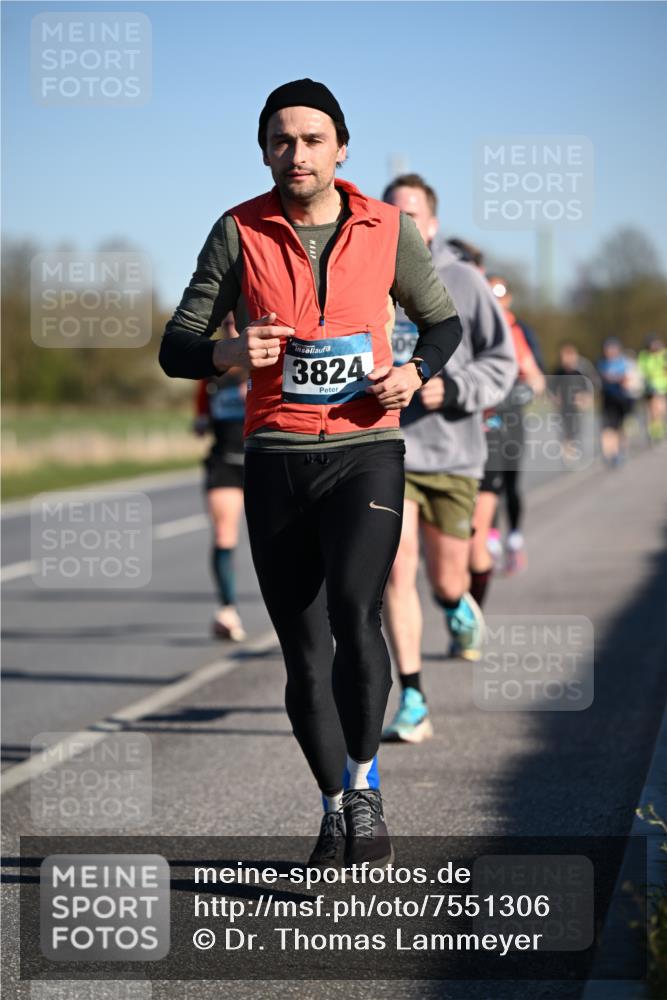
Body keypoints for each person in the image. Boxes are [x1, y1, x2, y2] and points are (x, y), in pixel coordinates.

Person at [159, 80, 462, 867]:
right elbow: (176, 346)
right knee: (302, 651)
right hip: (276, 460)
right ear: (264, 152)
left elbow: (442, 322)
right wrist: (229, 352)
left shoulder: (387, 228)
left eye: (312, 139)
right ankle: (331, 806)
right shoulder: (238, 230)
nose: (296, 153)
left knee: (356, 614)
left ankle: (364, 787)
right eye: (281, 141)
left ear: (341, 149)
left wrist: (415, 372)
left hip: (366, 451)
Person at [380, 177, 516, 743]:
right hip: (389, 452)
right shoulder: (368, 276)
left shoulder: (462, 280)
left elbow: (502, 362)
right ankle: (413, 697)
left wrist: (453, 389)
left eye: (412, 214)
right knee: (395, 568)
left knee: (446, 576)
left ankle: (455, 602)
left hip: (454, 453)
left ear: (432, 224)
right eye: (392, 213)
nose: (402, 223)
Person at [481, 276, 545, 575]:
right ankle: (491, 542)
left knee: (510, 482)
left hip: (511, 415)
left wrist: (524, 391)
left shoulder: (516, 330)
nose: (496, 301)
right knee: (487, 482)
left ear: (508, 299)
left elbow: (537, 378)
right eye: (489, 294)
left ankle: (515, 539)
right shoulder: (473, 325)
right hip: (482, 417)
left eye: (500, 295)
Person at [194, 313, 248, 641]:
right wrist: (201, 423)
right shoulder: (211, 373)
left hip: (264, 459)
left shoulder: (270, 363)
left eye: (237, 321)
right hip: (225, 461)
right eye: (227, 323)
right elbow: (202, 416)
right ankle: (227, 609)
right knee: (224, 532)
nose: (232, 328)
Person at [549, 342, 598, 467]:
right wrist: (555, 397)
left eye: (569, 356)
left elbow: (593, 383)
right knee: (565, 429)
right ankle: (568, 452)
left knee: (577, 428)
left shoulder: (583, 368)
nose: (566, 360)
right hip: (564, 405)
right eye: (563, 357)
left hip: (579, 405)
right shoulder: (558, 371)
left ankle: (575, 448)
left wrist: (586, 396)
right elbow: (551, 387)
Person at [597, 337, 633, 466]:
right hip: (607, 400)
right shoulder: (602, 363)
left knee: (618, 427)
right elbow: (601, 379)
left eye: (612, 348)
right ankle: (609, 454)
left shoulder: (624, 362)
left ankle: (619, 451)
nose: (609, 351)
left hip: (621, 400)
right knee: (607, 427)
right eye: (607, 349)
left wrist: (617, 379)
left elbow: (628, 380)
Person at [638, 334, 667, 443]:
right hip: (650, 386)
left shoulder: (663, 354)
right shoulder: (644, 356)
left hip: (663, 386)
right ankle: (654, 431)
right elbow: (641, 370)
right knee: (652, 409)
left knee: (659, 408)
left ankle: (658, 428)